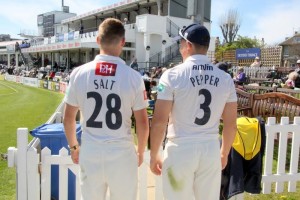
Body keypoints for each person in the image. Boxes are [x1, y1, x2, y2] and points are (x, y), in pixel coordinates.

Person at [63, 18, 149, 200]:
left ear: (97, 40)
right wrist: (140, 151)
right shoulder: (133, 77)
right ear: (123, 42)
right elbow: (142, 122)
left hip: (91, 151)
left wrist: (73, 147)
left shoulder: (79, 73)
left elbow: (69, 117)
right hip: (121, 153)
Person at [149, 23, 237, 200]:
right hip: (210, 148)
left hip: (180, 148)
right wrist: (224, 152)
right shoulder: (225, 78)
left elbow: (159, 121)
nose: (180, 48)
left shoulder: (172, 75)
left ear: (188, 45)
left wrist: (154, 154)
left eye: (180, 44)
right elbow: (230, 124)